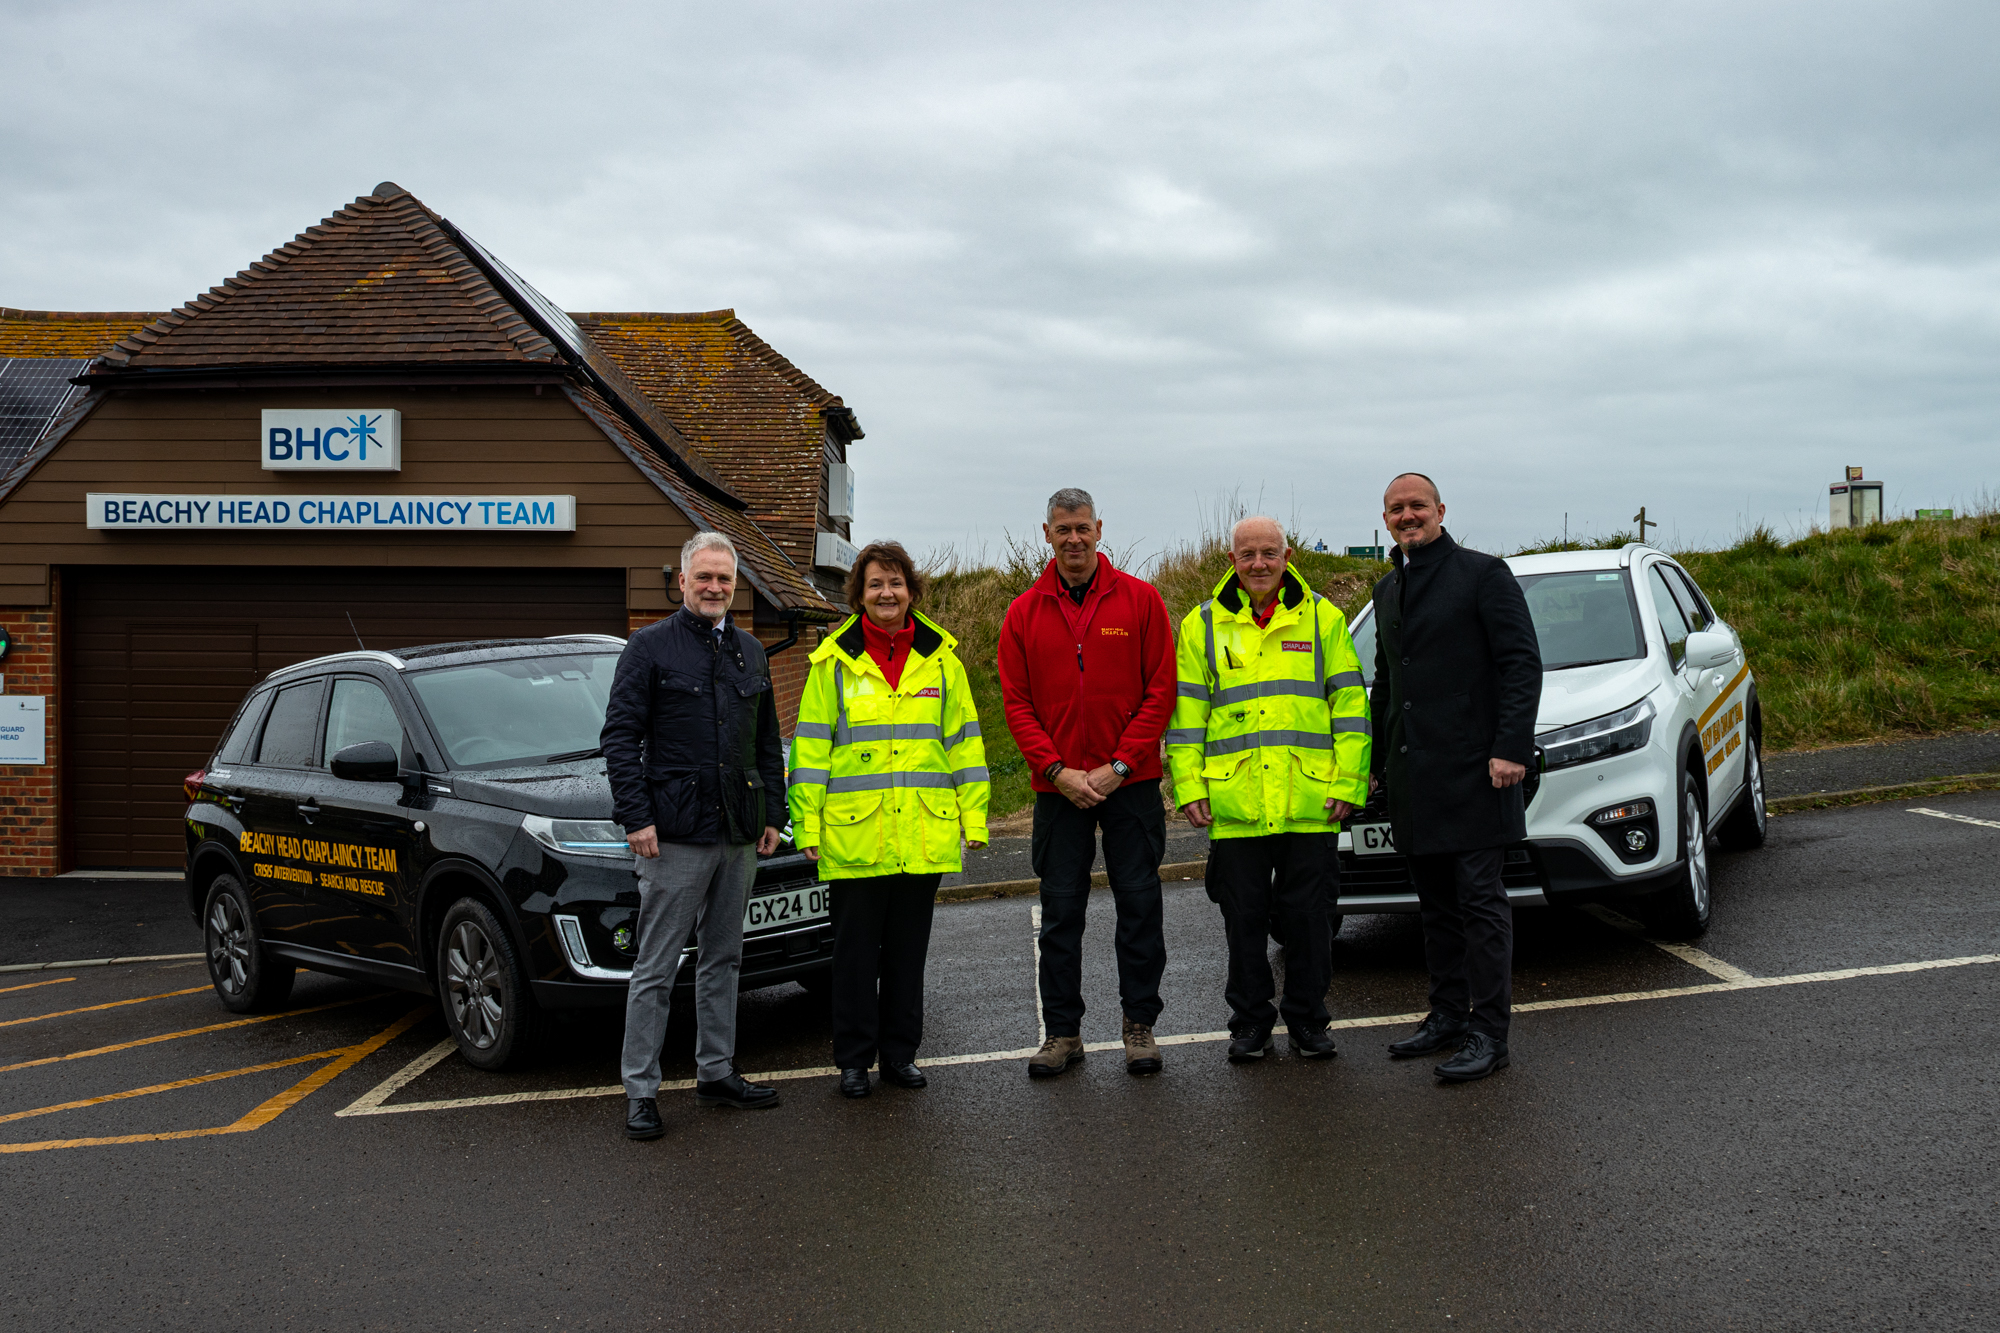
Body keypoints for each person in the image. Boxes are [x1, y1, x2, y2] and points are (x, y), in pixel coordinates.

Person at [789, 541, 990, 1100]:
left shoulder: (942, 660)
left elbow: (964, 745)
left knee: (907, 954)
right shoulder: (831, 663)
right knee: (852, 957)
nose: (886, 594)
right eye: (876, 584)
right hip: (856, 832)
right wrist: (806, 825)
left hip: (920, 831)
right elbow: (811, 751)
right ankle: (853, 1060)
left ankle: (900, 1055)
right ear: (859, 592)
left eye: (896, 583)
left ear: (911, 591)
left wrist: (974, 816)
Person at [1166, 516, 1371, 1062]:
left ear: (1288, 556)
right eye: (1247, 554)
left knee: (1311, 922)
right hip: (1236, 803)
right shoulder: (1201, 626)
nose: (1259, 564)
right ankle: (1250, 1023)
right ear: (1231, 560)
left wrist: (1349, 780)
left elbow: (1350, 708)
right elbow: (1186, 718)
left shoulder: (1323, 617)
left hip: (1310, 800)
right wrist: (1188, 786)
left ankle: (1308, 1020)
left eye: (1269, 553)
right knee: (1243, 924)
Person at [603, 531, 786, 1141]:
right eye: (704, 577)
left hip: (738, 830)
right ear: (681, 581)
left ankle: (716, 1072)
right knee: (655, 966)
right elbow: (619, 739)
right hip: (673, 834)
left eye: (724, 579)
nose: (714, 588)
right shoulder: (648, 648)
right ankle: (641, 1090)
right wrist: (636, 818)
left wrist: (772, 814)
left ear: (736, 586)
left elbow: (765, 744)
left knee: (724, 958)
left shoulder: (751, 652)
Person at [998, 487, 1177, 1078]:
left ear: (1100, 528)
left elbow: (1160, 694)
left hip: (1131, 784)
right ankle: (1064, 1033)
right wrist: (1057, 771)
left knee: (1139, 906)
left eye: (1082, 527)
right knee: (1060, 915)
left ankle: (1139, 1027)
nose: (1073, 538)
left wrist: (1119, 765)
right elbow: (1017, 705)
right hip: (1059, 791)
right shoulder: (1023, 613)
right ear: (1045, 534)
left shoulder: (1141, 601)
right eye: (1062, 529)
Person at [1369, 473, 1542, 1083]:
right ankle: (1446, 1015)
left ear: (1440, 510)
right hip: (1415, 777)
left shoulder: (1482, 574)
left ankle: (1489, 1033)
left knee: (1479, 905)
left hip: (1478, 773)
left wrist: (1510, 748)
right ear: (1385, 518)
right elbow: (1388, 684)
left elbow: (1521, 662)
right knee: (1436, 908)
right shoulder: (1389, 588)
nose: (1407, 516)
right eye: (1396, 509)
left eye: (1417, 506)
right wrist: (1376, 766)